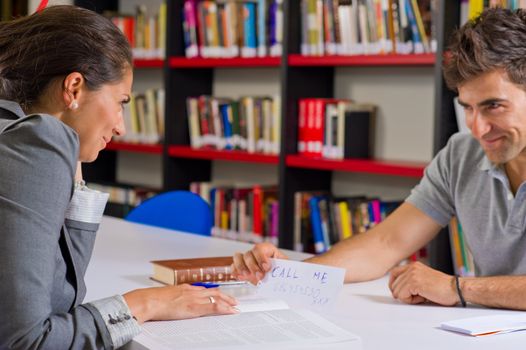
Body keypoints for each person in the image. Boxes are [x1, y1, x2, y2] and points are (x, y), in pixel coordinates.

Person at [233, 7, 526, 311]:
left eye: (494, 106)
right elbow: (387, 243)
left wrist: (457, 288)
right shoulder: (460, 153)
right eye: (468, 108)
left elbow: (455, 288)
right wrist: (294, 273)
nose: (477, 129)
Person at [0, 5, 237, 350]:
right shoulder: (36, 141)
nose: (122, 127)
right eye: (121, 101)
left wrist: (72, 155)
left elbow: (64, 293)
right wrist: (144, 303)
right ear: (75, 88)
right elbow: (29, 341)